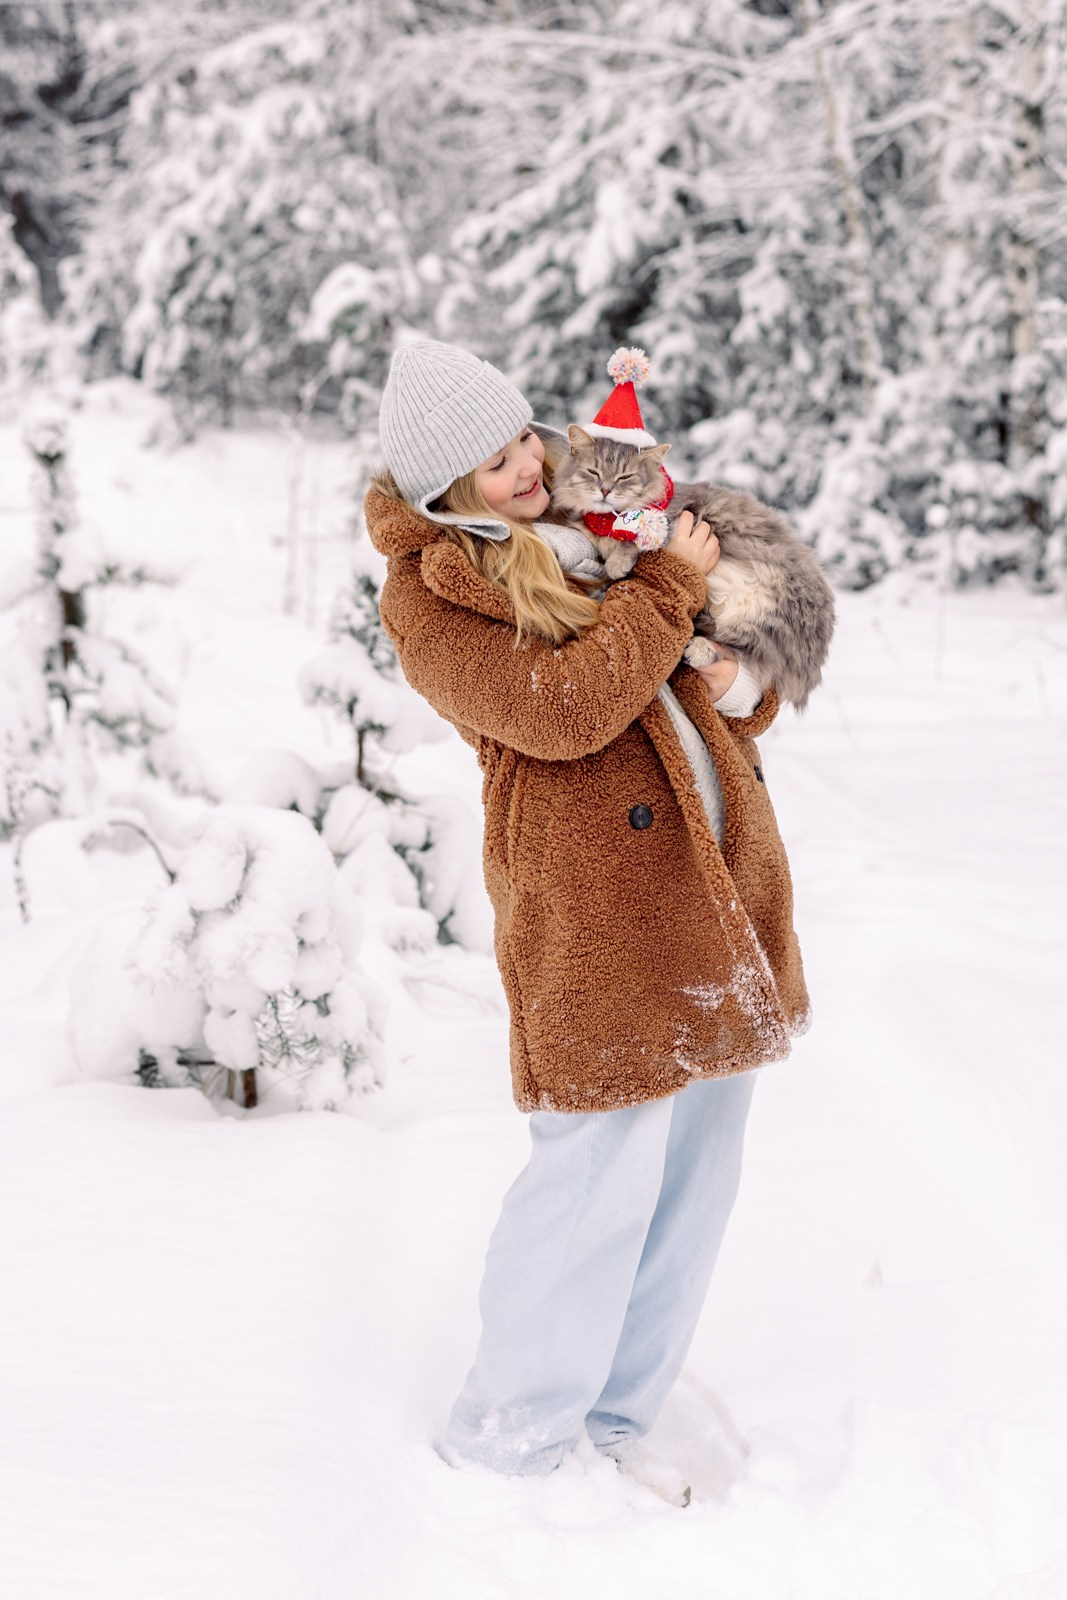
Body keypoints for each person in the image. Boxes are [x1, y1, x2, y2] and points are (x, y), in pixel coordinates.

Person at [365, 339, 811, 1506]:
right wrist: (665, 591)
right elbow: (564, 711)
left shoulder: (595, 523)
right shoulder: (433, 596)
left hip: (711, 897)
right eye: (494, 461)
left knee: (693, 1179)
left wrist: (735, 687)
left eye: (524, 437)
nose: (527, 464)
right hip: (596, 913)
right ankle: (509, 1438)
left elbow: (688, 693)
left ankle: (612, 1418)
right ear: (443, 492)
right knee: (592, 1173)